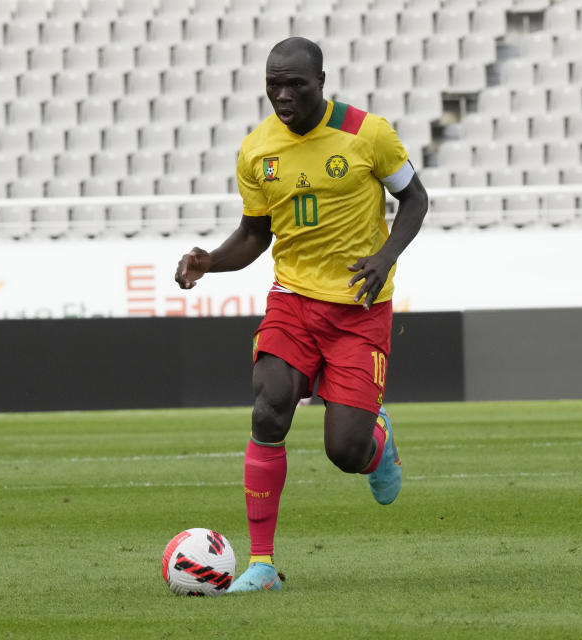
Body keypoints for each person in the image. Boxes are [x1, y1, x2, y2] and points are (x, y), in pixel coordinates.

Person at [174, 37, 428, 593]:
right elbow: (254, 234)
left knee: (344, 451)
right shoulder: (256, 150)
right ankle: (262, 566)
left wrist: (385, 257)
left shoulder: (369, 133)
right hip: (292, 301)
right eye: (273, 85)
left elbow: (416, 201)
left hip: (360, 310)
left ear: (322, 81)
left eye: (295, 85)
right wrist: (210, 261)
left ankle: (375, 445)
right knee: (268, 409)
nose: (283, 95)